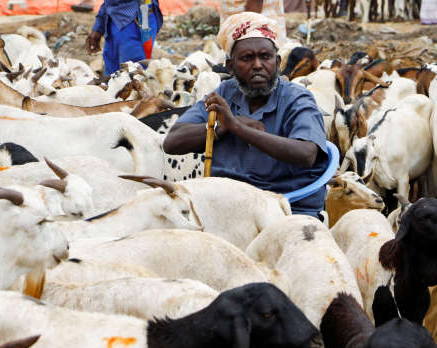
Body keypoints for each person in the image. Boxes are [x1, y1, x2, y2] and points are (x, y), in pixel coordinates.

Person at [163, 12, 328, 218]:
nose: (258, 65)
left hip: (289, 208)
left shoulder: (296, 98)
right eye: (247, 58)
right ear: (231, 66)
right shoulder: (224, 93)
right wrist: (224, 127)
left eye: (265, 57)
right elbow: (172, 142)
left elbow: (306, 154)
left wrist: (237, 128)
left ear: (277, 62)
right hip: (229, 208)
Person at [85, 0, 163, 76]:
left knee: (134, 76)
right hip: (113, 18)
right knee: (112, 78)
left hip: (137, 19)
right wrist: (98, 27)